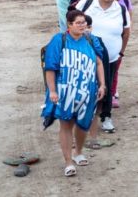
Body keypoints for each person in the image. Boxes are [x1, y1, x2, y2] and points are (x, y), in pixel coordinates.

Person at [42, 10, 106, 177]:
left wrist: (102, 85)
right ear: (69, 25)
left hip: (87, 90)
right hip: (65, 91)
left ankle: (78, 151)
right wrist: (52, 91)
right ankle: (68, 161)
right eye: (78, 23)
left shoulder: (91, 40)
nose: (82, 26)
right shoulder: (59, 40)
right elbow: (50, 67)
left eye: (84, 23)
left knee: (83, 124)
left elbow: (99, 63)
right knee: (66, 124)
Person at [75, 0, 131, 138]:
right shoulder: (85, 4)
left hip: (111, 56)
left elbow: (126, 32)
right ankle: (83, 117)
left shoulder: (120, 9)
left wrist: (121, 52)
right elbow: (72, 22)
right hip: (86, 56)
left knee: (106, 85)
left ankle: (106, 116)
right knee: (85, 85)